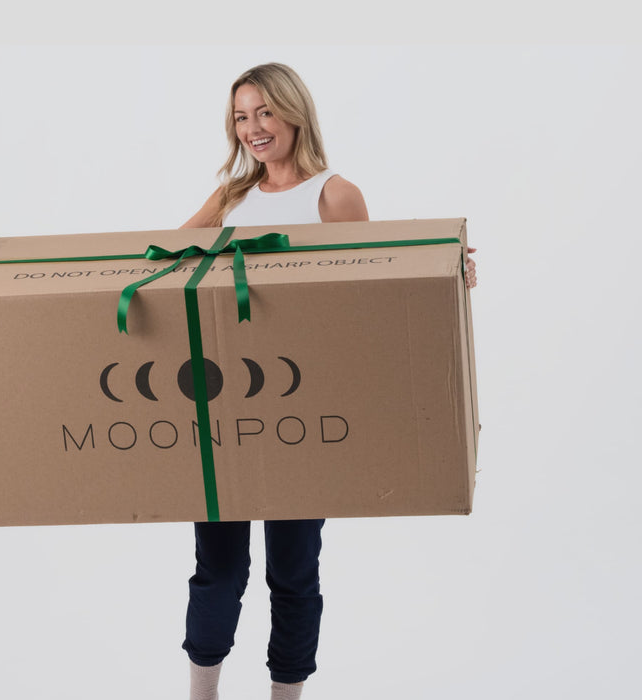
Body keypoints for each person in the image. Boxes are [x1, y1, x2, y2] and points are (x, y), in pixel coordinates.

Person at [177, 63, 477, 700]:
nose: (253, 128)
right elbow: (166, 267)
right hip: (226, 409)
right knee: (218, 571)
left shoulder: (335, 197)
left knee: (293, 573)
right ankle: (202, 693)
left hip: (300, 412)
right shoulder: (231, 197)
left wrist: (448, 273)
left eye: (265, 112)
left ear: (294, 112)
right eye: (241, 117)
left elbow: (375, 293)